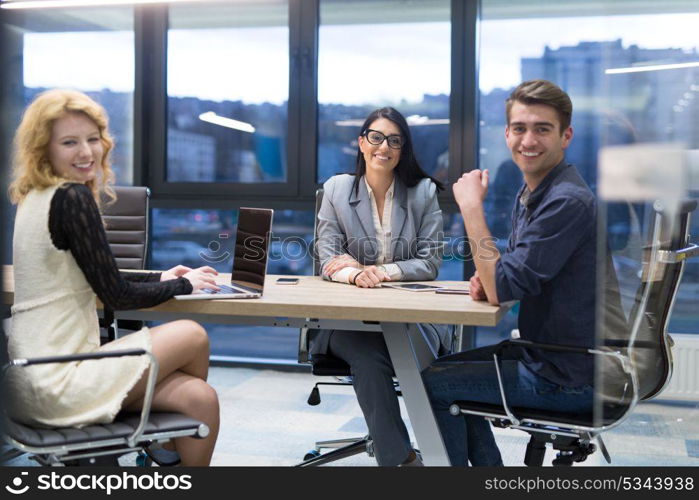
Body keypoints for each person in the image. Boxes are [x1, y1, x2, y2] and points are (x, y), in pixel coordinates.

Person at [7, 89, 220, 466]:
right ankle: (162, 449)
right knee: (192, 333)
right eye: (70, 142)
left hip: (28, 380)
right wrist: (185, 285)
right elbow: (116, 295)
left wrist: (160, 274)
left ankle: (166, 451)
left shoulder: (34, 195)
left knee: (199, 399)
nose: (87, 152)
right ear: (44, 149)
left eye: (93, 139)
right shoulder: (71, 197)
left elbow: (89, 272)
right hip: (58, 378)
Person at [422, 80, 604, 466]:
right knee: (439, 371)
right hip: (551, 357)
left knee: (430, 386)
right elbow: (504, 279)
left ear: (565, 136)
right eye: (520, 128)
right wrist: (490, 277)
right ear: (507, 134)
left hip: (567, 376)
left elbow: (503, 285)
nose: (528, 140)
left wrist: (471, 208)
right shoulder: (535, 193)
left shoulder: (565, 201)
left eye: (543, 129)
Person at [312, 107, 449, 466]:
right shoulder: (336, 190)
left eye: (394, 140)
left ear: (402, 149)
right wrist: (354, 274)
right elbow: (328, 255)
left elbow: (429, 262)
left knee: (403, 357)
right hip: (348, 321)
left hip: (412, 318)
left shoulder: (422, 193)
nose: (383, 146)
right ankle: (402, 462)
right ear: (361, 143)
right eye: (375, 137)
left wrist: (380, 271)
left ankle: (446, 457)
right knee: (370, 359)